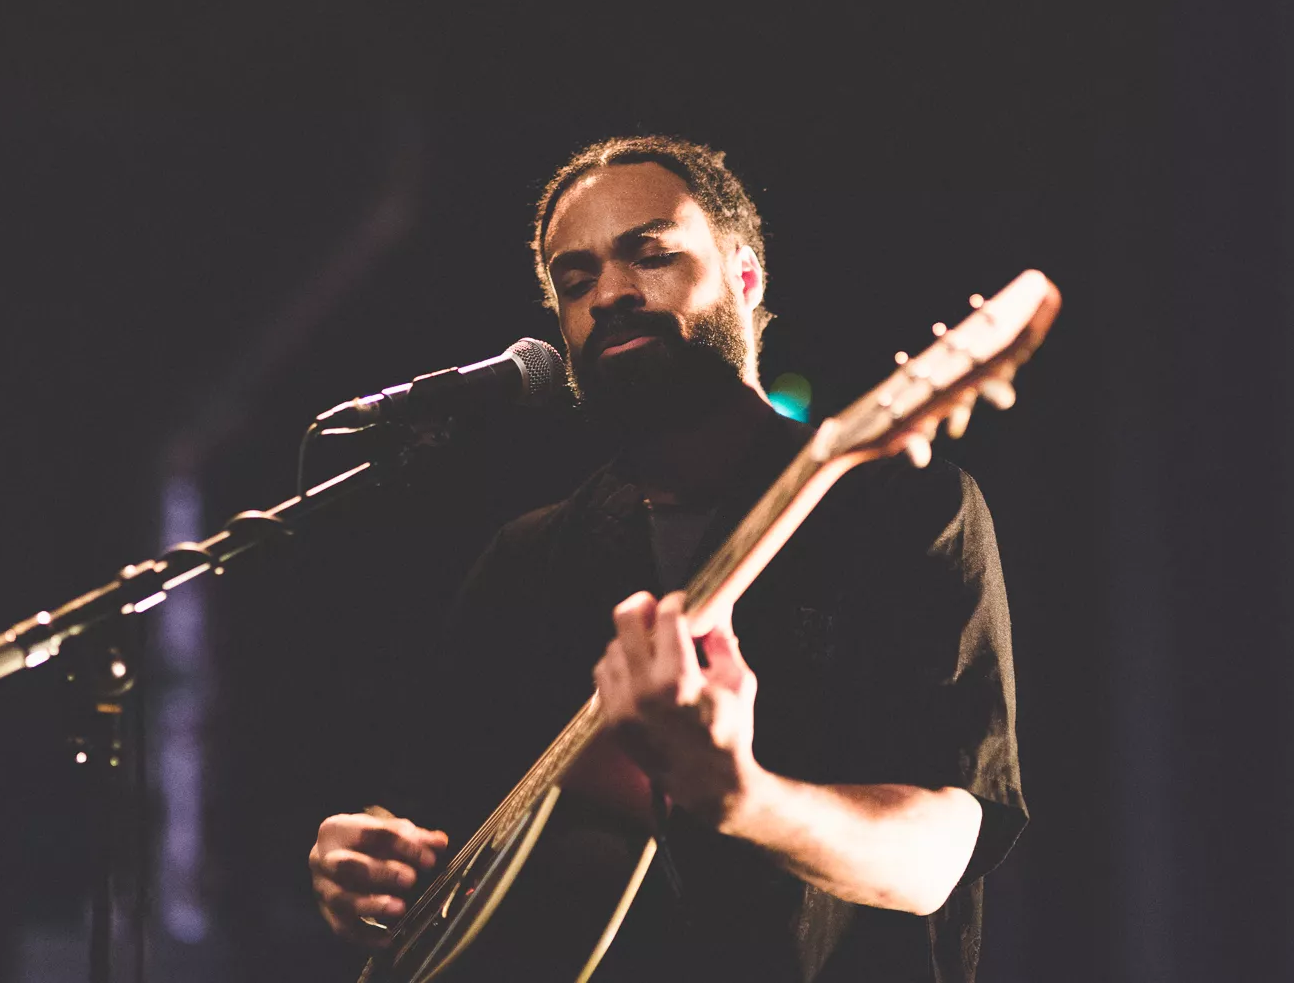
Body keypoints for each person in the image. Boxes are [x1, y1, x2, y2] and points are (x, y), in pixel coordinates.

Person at [308, 136, 1027, 983]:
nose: (610, 292)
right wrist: (375, 861)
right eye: (575, 281)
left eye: (650, 255)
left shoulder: (902, 511)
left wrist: (743, 800)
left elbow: (938, 856)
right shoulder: (529, 558)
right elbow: (440, 815)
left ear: (746, 278)